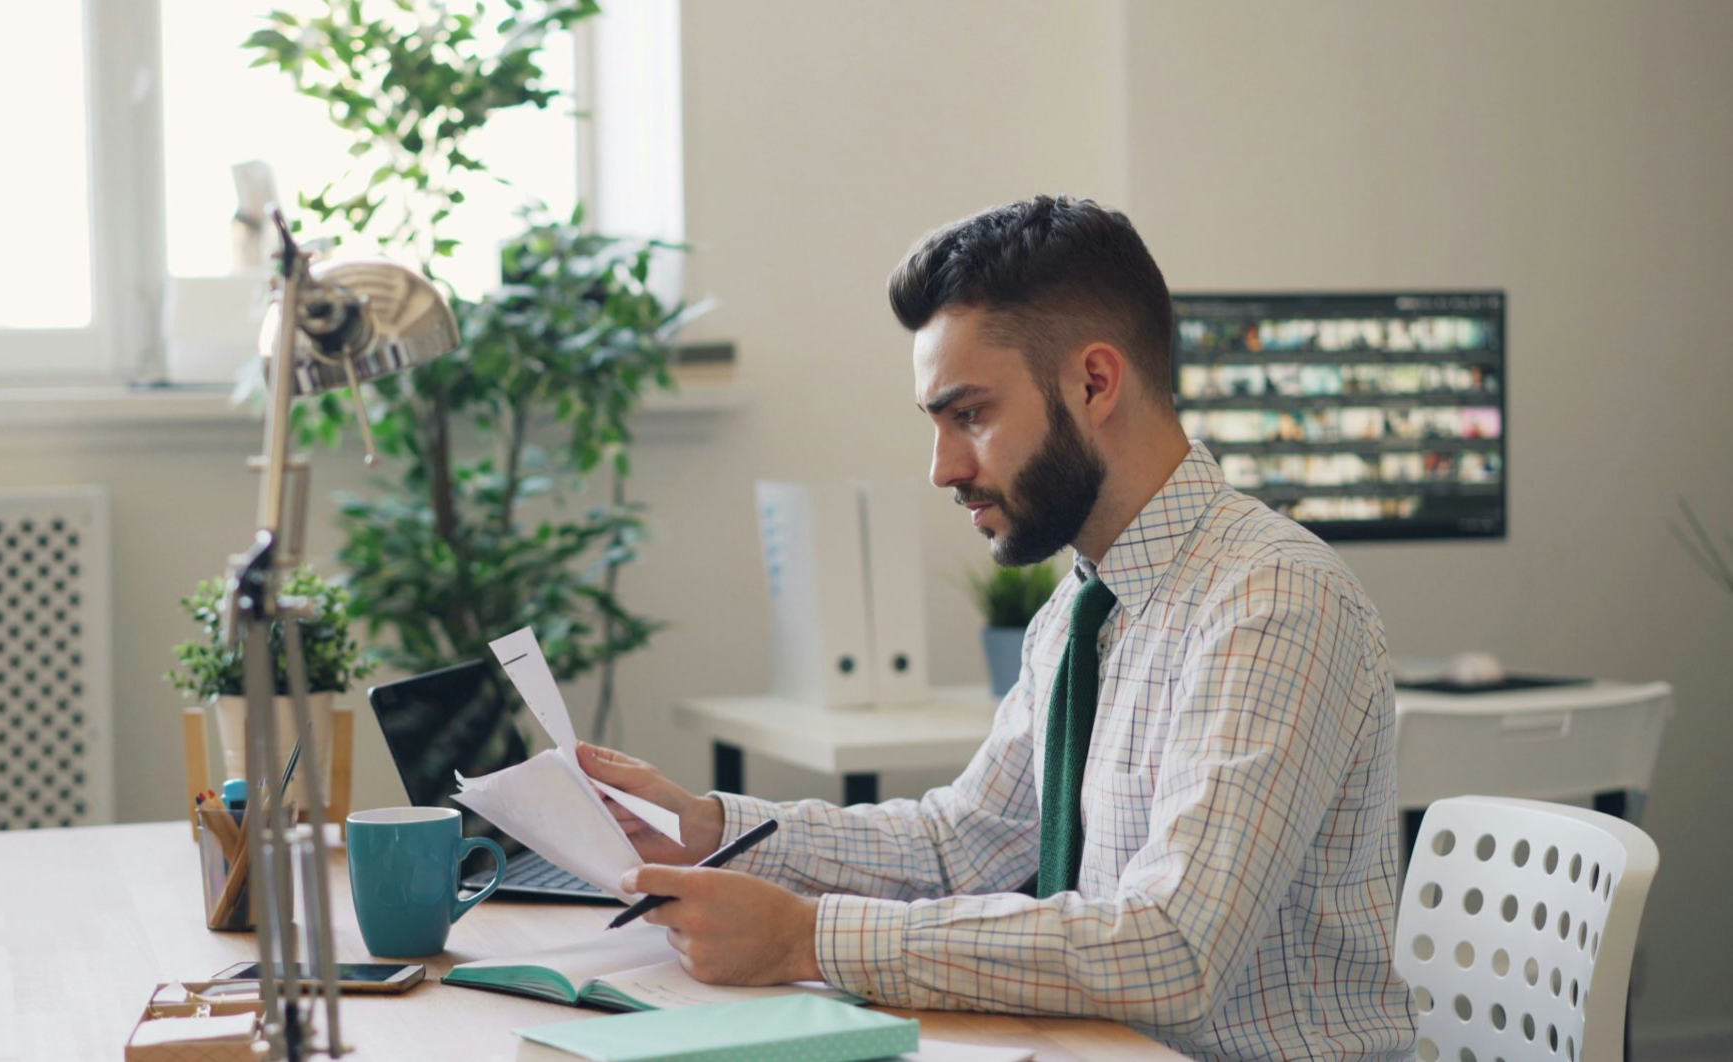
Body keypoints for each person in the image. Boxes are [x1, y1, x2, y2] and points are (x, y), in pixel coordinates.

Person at [578, 195, 1414, 1061]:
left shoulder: (1270, 602)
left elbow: (1171, 951)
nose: (943, 468)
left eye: (968, 414)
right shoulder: (1081, 608)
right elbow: (957, 846)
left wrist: (806, 939)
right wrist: (714, 829)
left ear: (1093, 383)